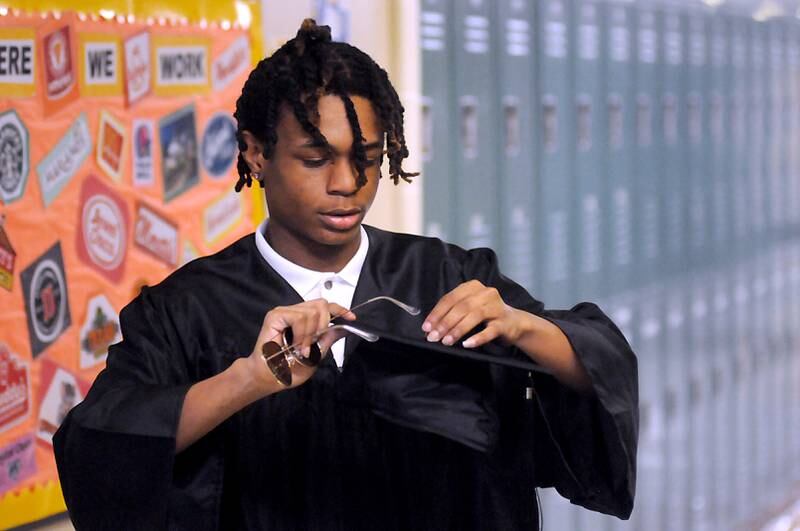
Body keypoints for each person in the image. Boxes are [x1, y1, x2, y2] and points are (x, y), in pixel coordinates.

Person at [54, 19, 638, 530]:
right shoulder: (186, 311)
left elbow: (598, 371)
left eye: (366, 159)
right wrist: (251, 380)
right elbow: (100, 451)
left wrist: (521, 328)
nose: (346, 184)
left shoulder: (444, 275)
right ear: (256, 154)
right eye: (315, 160)